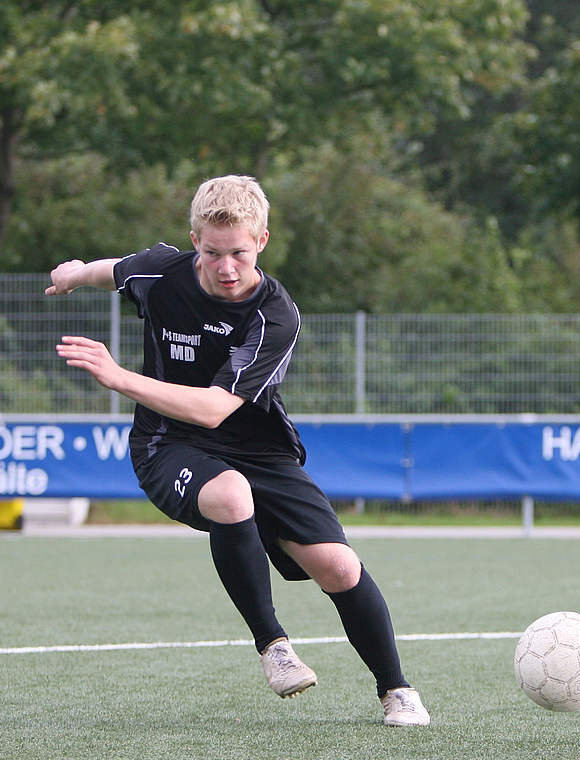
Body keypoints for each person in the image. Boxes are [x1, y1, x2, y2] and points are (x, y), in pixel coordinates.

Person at [45, 175, 429, 727]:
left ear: (262, 241)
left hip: (257, 447)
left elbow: (212, 409)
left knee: (340, 566)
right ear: (194, 241)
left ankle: (396, 689)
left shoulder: (276, 315)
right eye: (212, 252)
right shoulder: (162, 272)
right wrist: (75, 274)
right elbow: (115, 270)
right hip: (168, 443)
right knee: (229, 495)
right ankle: (274, 645)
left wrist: (118, 376)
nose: (226, 267)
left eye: (239, 254)